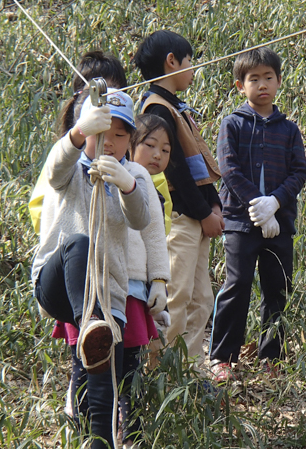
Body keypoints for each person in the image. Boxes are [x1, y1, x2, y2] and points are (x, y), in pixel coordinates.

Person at [32, 82, 152, 448]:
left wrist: (127, 185)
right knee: (78, 244)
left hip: (107, 297)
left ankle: (98, 441)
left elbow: (142, 219)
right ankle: (90, 325)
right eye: (101, 132)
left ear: (130, 140)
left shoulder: (129, 177)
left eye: (119, 135)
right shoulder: (71, 169)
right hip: (59, 287)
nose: (110, 142)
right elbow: (54, 171)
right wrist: (78, 131)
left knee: (100, 377)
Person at [209, 47, 306, 382]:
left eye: (268, 77)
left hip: (280, 223)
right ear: (241, 86)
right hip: (239, 220)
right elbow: (229, 170)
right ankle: (222, 357)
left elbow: (299, 173)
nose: (262, 84)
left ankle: (272, 358)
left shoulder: (289, 130)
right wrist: (258, 206)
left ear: (279, 81)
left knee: (277, 288)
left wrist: (275, 205)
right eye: (254, 79)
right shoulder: (232, 124)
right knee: (237, 285)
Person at [133, 30, 223, 367]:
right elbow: (176, 171)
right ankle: (160, 372)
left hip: (196, 215)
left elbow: (195, 159)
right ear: (171, 61)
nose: (192, 69)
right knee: (176, 295)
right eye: (189, 62)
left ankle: (191, 371)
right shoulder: (156, 110)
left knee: (201, 297)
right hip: (180, 217)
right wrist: (203, 212)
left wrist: (214, 204)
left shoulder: (175, 108)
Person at [119, 114, 174, 448]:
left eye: (165, 149)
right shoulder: (117, 177)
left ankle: (133, 434)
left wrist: (159, 283)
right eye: (150, 145)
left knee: (132, 366)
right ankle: (90, 425)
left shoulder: (157, 186)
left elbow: (156, 240)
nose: (158, 155)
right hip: (110, 284)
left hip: (138, 287)